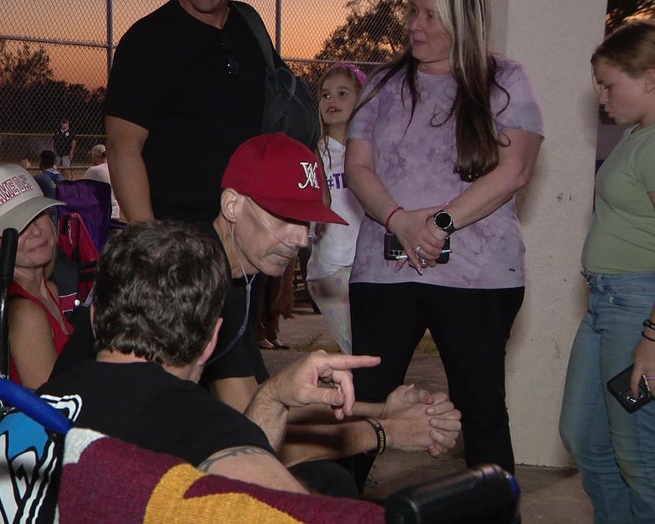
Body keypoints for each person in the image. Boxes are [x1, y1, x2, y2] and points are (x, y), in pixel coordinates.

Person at [52, 134, 461, 494]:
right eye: (284, 218)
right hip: (92, 457)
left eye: (307, 222)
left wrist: (382, 408)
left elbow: (271, 401)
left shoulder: (233, 275)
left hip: (123, 438)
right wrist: (387, 431)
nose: (300, 239)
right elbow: (250, 438)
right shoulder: (200, 278)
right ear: (233, 204)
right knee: (324, 482)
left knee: (328, 477)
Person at [344, 0, 543, 481]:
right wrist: (398, 220)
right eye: (412, 11)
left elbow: (514, 171)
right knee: (364, 406)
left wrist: (438, 224)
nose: (414, 24)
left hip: (480, 279)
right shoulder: (384, 86)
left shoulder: (506, 80)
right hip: (385, 272)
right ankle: (330, 507)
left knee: (483, 414)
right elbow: (357, 167)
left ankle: (497, 511)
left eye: (430, 14)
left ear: (463, 19)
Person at [559, 20, 655, 523]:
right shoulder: (638, 136)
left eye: (609, 84)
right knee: (584, 439)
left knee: (639, 456)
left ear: (651, 78)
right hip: (605, 306)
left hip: (638, 309)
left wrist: (653, 335)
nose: (600, 97)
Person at [105, 0, 276, 224]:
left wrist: (312, 174)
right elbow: (122, 147)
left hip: (253, 227)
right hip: (182, 236)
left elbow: (289, 106)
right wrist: (152, 242)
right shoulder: (146, 40)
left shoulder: (250, 27)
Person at [0, 164, 73, 389]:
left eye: (38, 215)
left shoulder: (51, 290)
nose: (36, 231)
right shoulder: (26, 313)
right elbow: (53, 407)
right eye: (16, 226)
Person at [306, 62, 367, 354]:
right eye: (326, 95)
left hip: (366, 266)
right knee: (357, 350)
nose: (332, 100)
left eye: (343, 93)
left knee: (372, 347)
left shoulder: (370, 152)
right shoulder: (315, 152)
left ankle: (362, 396)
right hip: (329, 268)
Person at [81, 143, 121, 220]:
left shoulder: (94, 170)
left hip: (100, 213)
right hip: (115, 213)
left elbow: (82, 189)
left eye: (92, 156)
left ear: (96, 157)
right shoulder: (115, 168)